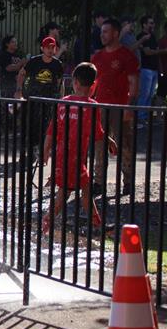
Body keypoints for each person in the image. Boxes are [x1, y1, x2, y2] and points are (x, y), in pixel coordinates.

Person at [41, 63, 118, 233]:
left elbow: (51, 129)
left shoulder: (63, 103)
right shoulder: (92, 106)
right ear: (94, 85)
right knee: (66, 193)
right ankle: (46, 223)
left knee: (81, 190)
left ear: (74, 82)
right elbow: (98, 133)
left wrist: (45, 151)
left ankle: (97, 224)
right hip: (75, 158)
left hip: (63, 156)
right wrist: (110, 141)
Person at [91, 18, 139, 195]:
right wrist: (90, 102)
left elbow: (134, 82)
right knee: (99, 145)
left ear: (116, 33)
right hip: (101, 106)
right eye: (101, 31)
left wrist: (129, 107)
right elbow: (94, 82)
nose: (102, 35)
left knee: (125, 144)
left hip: (120, 106)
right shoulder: (98, 57)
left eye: (106, 31)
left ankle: (127, 182)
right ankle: (98, 182)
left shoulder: (127, 56)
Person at [16, 36, 64, 157]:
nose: (50, 50)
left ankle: (43, 150)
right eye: (48, 47)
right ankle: (31, 150)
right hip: (34, 98)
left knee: (47, 126)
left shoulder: (57, 64)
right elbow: (22, 73)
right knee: (32, 124)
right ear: (42, 48)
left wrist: (61, 99)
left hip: (49, 100)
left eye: (52, 47)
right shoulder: (34, 61)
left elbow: (59, 83)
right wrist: (19, 90)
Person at [136, 15, 167, 124]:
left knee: (150, 95)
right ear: (144, 24)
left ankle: (145, 117)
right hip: (146, 69)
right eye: (150, 23)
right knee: (145, 94)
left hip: (154, 69)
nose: (152, 25)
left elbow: (154, 51)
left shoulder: (152, 36)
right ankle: (140, 117)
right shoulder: (141, 36)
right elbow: (147, 52)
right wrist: (161, 51)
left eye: (153, 23)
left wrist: (157, 52)